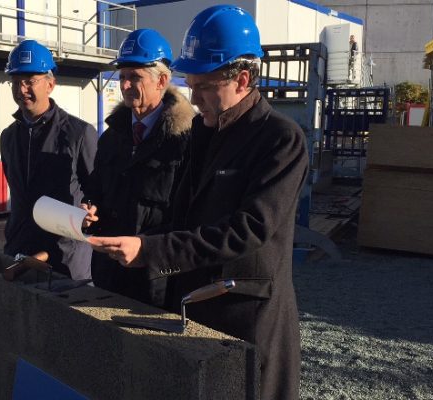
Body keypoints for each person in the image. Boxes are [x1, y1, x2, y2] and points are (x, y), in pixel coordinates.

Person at [88, 5, 307, 400]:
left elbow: (248, 229)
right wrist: (134, 242)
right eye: (193, 86)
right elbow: (180, 216)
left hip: (245, 317)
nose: (196, 97)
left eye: (205, 87)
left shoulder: (279, 139)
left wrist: (150, 250)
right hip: (191, 309)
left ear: (242, 79)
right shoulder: (202, 134)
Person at [81, 29, 194, 305]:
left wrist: (147, 249)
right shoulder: (111, 137)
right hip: (108, 272)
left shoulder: (185, 140)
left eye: (135, 77)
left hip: (156, 280)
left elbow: (189, 217)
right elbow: (96, 187)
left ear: (162, 81)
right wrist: (89, 206)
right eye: (123, 77)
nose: (126, 85)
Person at [0, 39, 97, 280]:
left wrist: (91, 210)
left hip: (66, 260)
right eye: (16, 82)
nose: (22, 89)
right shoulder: (8, 137)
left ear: (50, 84)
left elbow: (99, 194)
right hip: (19, 252)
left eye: (30, 81)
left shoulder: (79, 134)